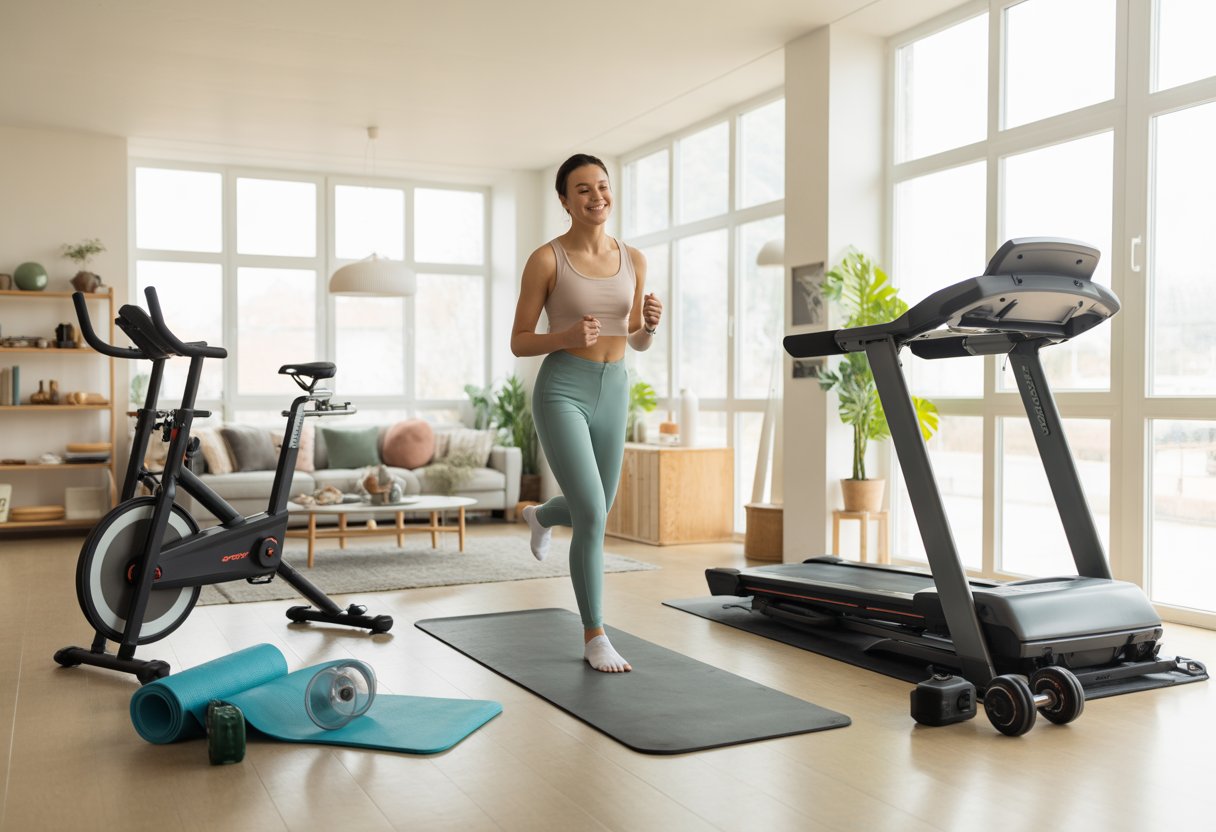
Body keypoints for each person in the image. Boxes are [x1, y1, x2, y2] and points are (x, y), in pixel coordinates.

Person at [510, 153, 663, 673]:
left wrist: (649, 325)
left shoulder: (634, 258)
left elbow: (634, 339)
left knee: (594, 508)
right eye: (583, 189)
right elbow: (519, 341)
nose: (597, 196)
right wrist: (566, 336)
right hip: (563, 390)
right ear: (564, 200)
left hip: (615, 387)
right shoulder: (546, 259)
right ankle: (595, 634)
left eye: (602, 186)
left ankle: (540, 515)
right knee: (593, 513)